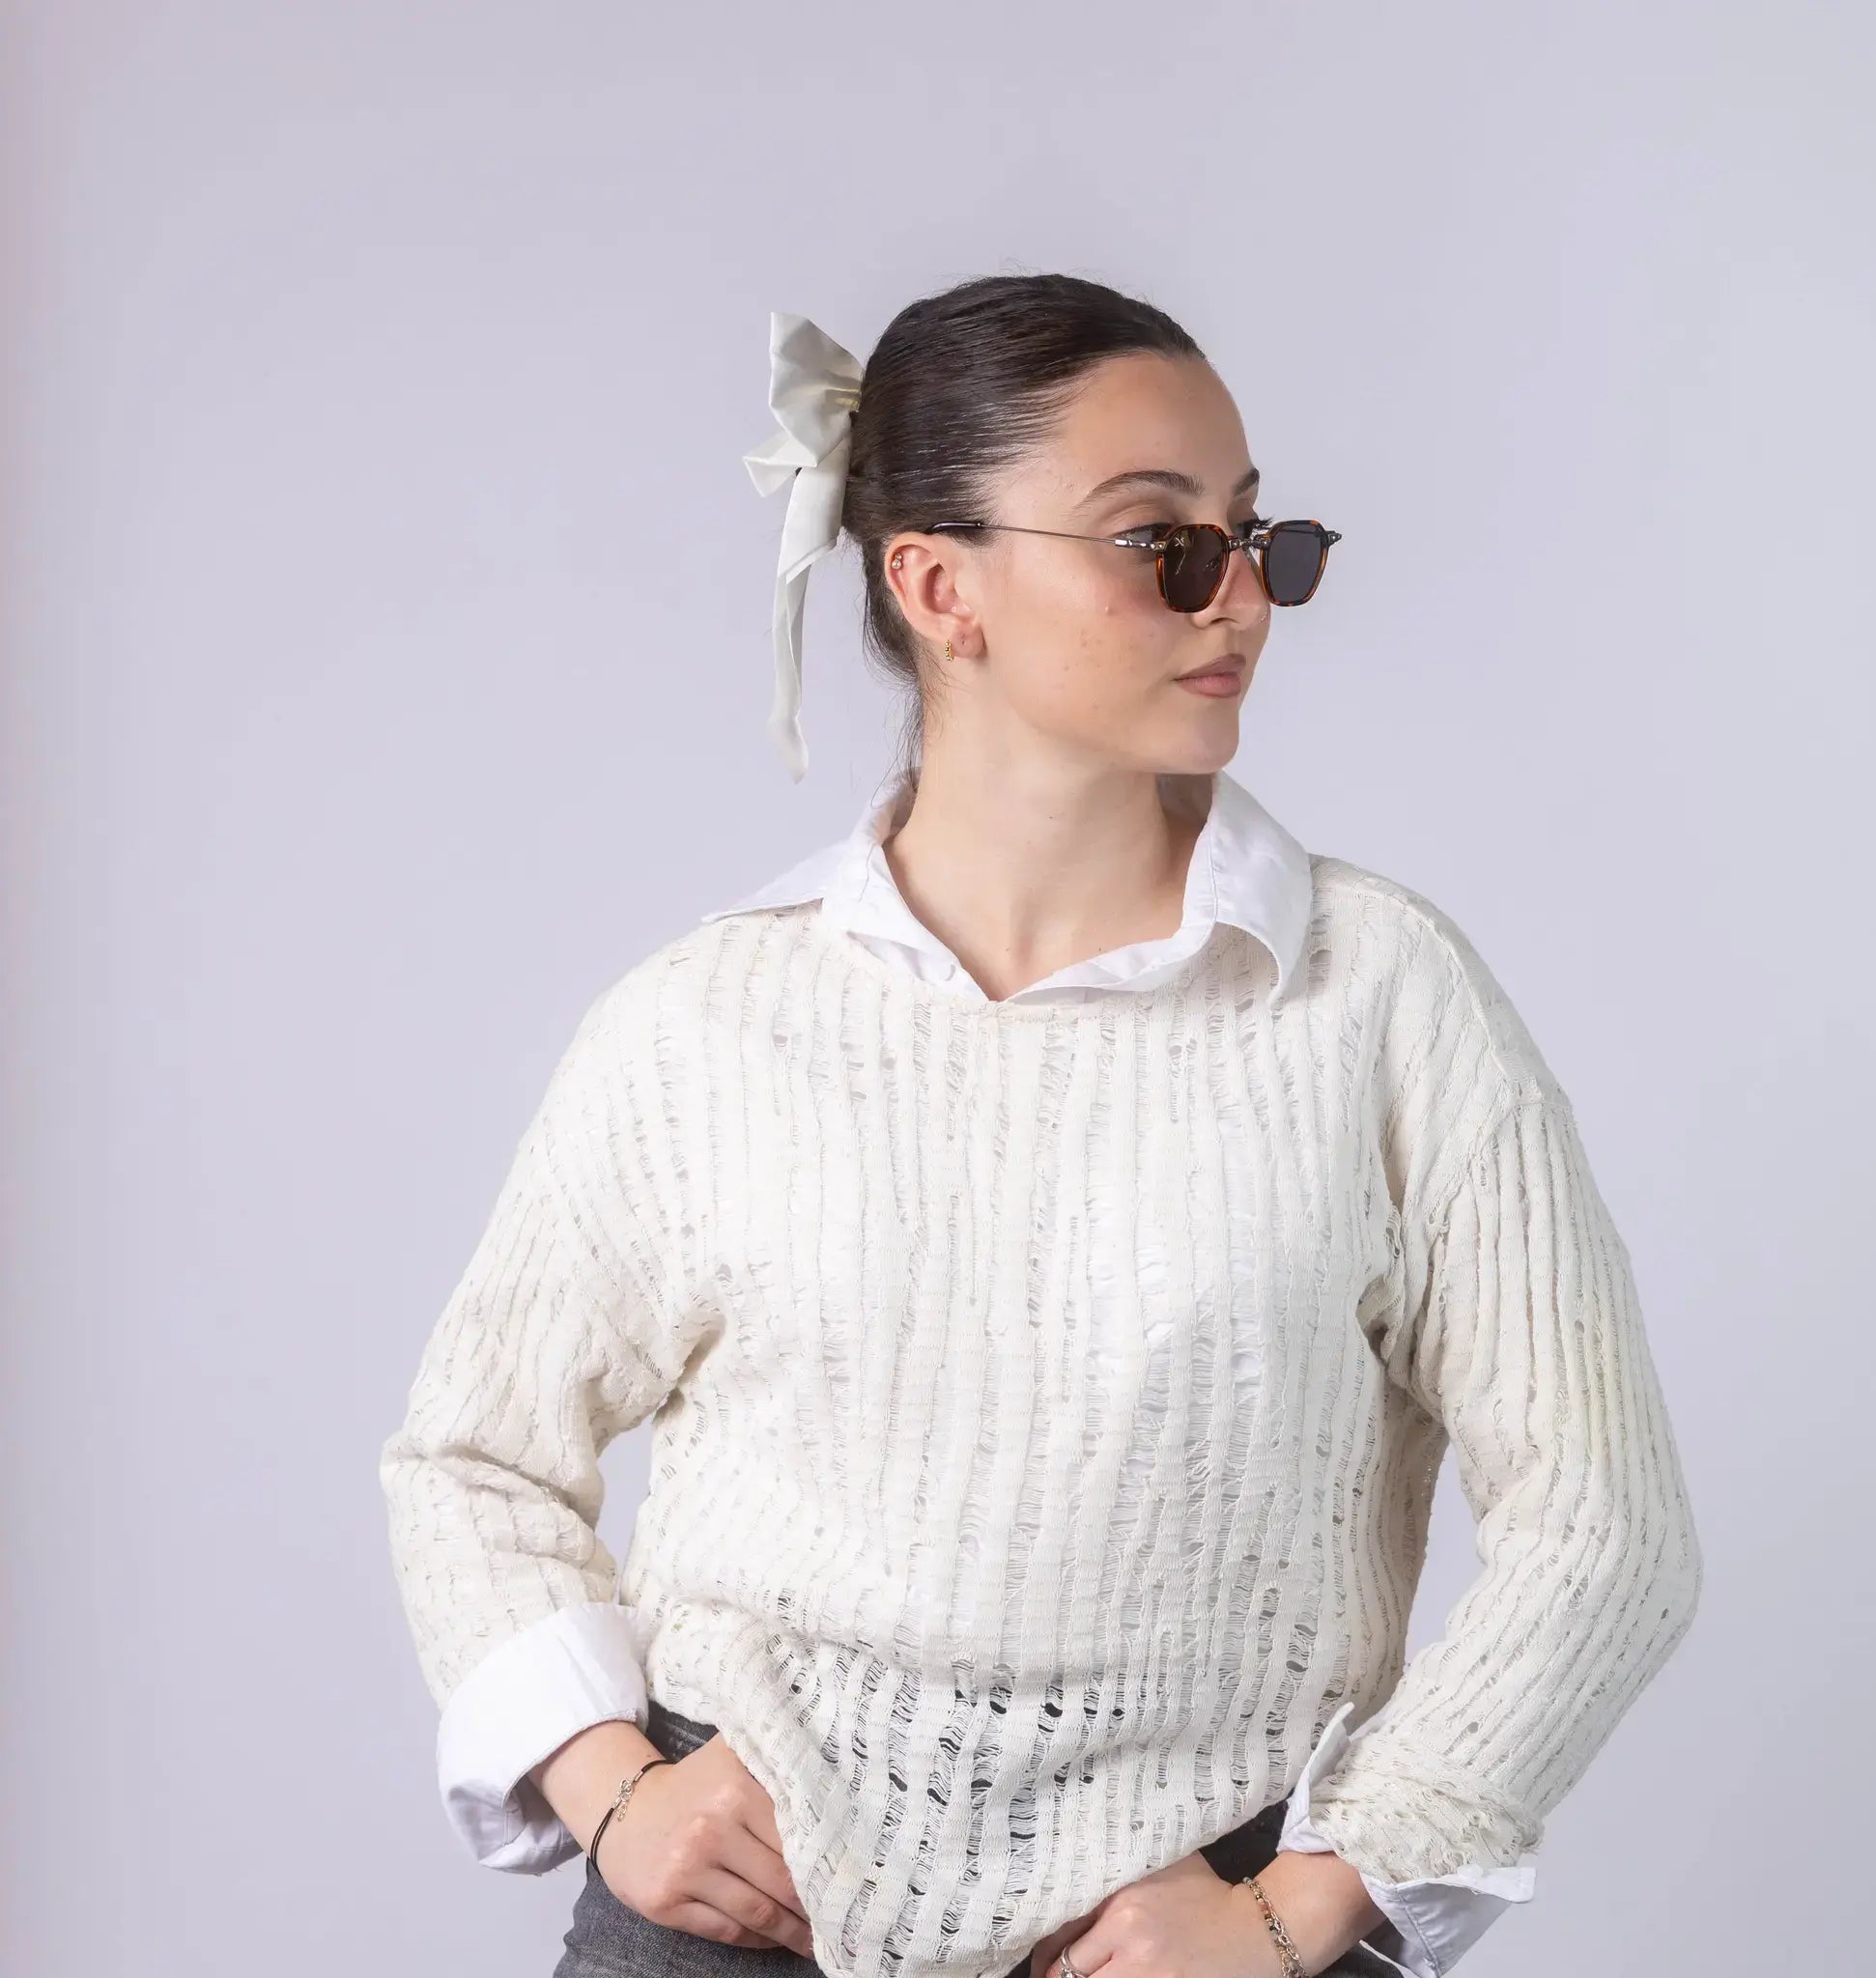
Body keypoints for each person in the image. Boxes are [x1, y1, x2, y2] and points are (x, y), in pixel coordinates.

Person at [379, 272, 1704, 1978]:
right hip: (735, 1925)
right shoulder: (707, 1022)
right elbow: (472, 1460)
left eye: (1260, 538)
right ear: (939, 586)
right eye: (1166, 546)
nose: (1245, 603)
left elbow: (1606, 1526)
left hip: (1205, 1937)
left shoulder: (1380, 999)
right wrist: (615, 1789)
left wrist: (1302, 1913)